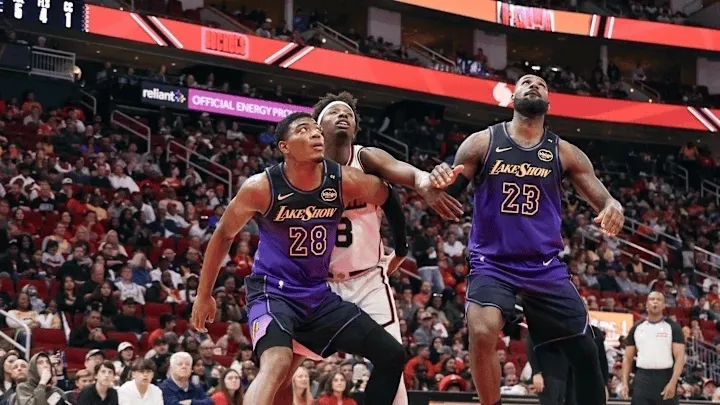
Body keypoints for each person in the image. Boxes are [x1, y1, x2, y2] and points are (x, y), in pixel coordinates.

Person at [429, 74, 625, 405]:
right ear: (512, 98)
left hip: (544, 266)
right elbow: (444, 196)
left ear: (548, 102)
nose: (533, 85)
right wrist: (435, 181)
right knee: (481, 332)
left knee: (586, 350)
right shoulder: (482, 142)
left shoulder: (564, 152)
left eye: (541, 84)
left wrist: (613, 206)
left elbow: (604, 198)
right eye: (525, 82)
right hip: (493, 263)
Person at [190, 112, 406, 405]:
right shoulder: (261, 187)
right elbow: (223, 235)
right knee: (277, 362)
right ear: (285, 147)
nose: (316, 134)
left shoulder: (341, 180)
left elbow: (386, 193)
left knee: (392, 354)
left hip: (317, 297)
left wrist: (403, 243)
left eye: (317, 129)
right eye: (304, 130)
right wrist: (204, 295)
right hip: (273, 292)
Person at [275, 92, 461, 405]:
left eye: (348, 114)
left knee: (392, 363)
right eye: (334, 112)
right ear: (316, 129)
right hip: (318, 287)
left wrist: (424, 183)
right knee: (281, 369)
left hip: (367, 282)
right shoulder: (299, 169)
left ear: (356, 128)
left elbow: (403, 179)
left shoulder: (366, 158)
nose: (343, 116)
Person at [621, 292, 685, 405]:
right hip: (642, 378)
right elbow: (627, 358)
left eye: (659, 300)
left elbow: (680, 357)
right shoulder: (636, 327)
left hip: (665, 377)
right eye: (652, 299)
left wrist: (673, 382)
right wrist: (625, 383)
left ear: (664, 305)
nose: (655, 302)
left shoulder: (673, 327)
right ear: (646, 304)